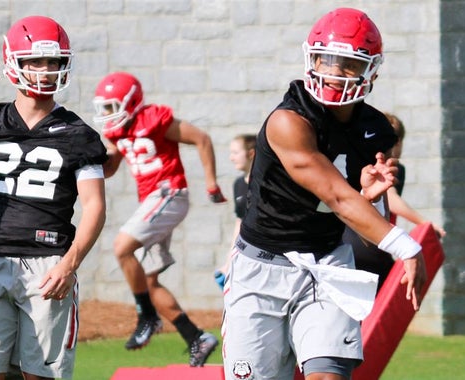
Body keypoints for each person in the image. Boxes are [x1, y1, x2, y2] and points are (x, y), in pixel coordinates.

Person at [222, 8, 427, 380]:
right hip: (260, 268)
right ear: (311, 59)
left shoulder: (376, 129)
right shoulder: (288, 121)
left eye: (348, 63)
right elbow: (334, 196)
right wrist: (406, 245)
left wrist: (371, 197)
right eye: (326, 59)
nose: (334, 71)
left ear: (372, 71)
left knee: (327, 376)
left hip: (327, 265)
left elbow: (362, 224)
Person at [0, 15, 107, 380]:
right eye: (35, 61)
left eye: (53, 61)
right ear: (13, 60)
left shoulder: (79, 134)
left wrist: (70, 263)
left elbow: (95, 205)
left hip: (49, 267)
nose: (45, 71)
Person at [92, 71, 224, 366]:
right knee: (149, 282)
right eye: (105, 108)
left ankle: (147, 317)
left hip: (169, 193)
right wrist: (90, 159)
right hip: (152, 202)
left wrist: (212, 182)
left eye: (112, 107)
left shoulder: (154, 118)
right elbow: (111, 168)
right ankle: (196, 337)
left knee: (121, 247)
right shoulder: (117, 132)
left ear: (132, 102)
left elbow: (201, 139)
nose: (108, 114)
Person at [344, 112, 446, 292]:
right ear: (397, 141)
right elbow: (391, 198)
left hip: (351, 245)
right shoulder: (389, 167)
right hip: (368, 243)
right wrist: (424, 223)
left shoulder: (357, 163)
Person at [213, 133, 256, 289]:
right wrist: (230, 257)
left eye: (236, 153)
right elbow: (240, 221)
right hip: (245, 250)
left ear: (251, 153)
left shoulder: (264, 183)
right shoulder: (238, 184)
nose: (232, 158)